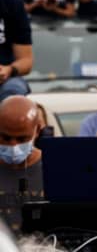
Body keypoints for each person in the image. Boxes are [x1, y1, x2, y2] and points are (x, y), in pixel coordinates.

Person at [0, 96, 44, 233]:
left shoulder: (54, 167)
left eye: (22, 139)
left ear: (36, 131)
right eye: (5, 138)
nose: (13, 145)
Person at [0, 0, 32, 101]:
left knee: (14, 90)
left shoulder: (12, 4)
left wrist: (9, 69)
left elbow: (26, 60)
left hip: (4, 79)